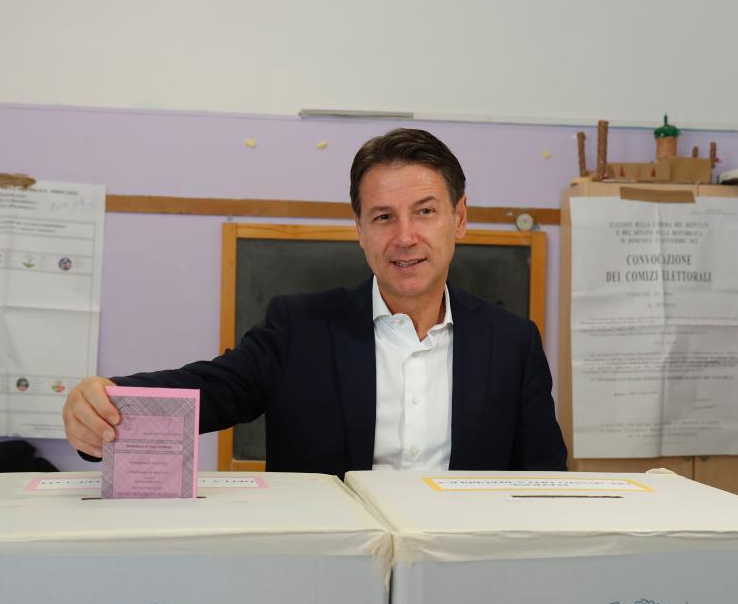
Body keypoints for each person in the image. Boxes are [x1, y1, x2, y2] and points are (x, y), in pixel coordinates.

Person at [63, 128, 567, 476]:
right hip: (332, 574)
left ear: (459, 219)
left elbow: (544, 483)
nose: (405, 237)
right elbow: (211, 391)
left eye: (425, 212)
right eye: (383, 217)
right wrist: (106, 402)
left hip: (458, 576)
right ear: (360, 230)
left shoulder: (512, 343)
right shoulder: (298, 328)